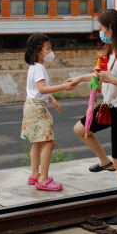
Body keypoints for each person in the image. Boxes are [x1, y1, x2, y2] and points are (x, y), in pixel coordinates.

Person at [66, 9, 117, 225]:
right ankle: (104, 162)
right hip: (110, 107)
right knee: (81, 129)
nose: (100, 32)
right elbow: (102, 76)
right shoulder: (112, 50)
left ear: (111, 28)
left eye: (101, 29)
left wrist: (112, 79)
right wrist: (79, 79)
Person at [21, 33, 70, 191]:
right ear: (38, 51)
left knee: (37, 143)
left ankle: (35, 175)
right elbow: (41, 88)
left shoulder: (33, 67)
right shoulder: (40, 68)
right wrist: (63, 87)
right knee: (49, 142)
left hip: (30, 105)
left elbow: (37, 90)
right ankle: (43, 179)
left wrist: (51, 98)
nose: (50, 51)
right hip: (37, 108)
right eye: (48, 48)